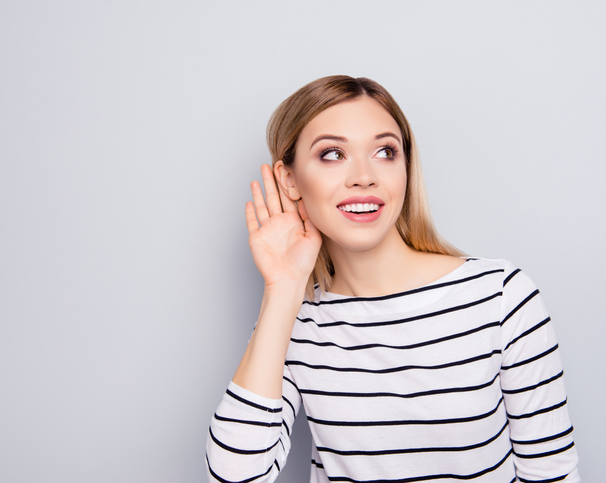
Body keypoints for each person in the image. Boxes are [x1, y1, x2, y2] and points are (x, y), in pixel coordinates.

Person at [206, 75, 580, 483]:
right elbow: (235, 477)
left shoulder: (500, 297)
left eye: (385, 151)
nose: (364, 176)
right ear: (290, 180)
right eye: (333, 154)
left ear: (406, 168)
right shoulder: (294, 320)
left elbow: (551, 473)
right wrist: (282, 288)